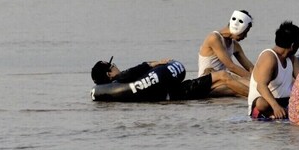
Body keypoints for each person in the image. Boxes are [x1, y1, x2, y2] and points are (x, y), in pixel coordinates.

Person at [91, 58, 245, 99]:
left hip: (171, 94)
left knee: (221, 89)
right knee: (223, 76)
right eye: (113, 66)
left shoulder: (114, 93)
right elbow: (131, 72)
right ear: (109, 75)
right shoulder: (122, 79)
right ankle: (256, 95)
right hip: (177, 93)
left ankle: (249, 92)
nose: (116, 67)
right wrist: (155, 63)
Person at [248, 21, 299, 119]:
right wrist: (275, 106)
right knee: (262, 103)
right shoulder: (269, 57)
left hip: (284, 102)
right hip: (266, 104)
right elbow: (261, 86)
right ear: (293, 45)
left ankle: (282, 113)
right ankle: (274, 114)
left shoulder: (292, 58)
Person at [197, 10, 254, 96]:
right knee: (250, 85)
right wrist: (255, 80)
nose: (245, 36)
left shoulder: (235, 45)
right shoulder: (214, 38)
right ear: (238, 28)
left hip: (225, 81)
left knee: (250, 83)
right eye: (245, 32)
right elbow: (231, 66)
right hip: (207, 84)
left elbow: (250, 68)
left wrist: (262, 77)